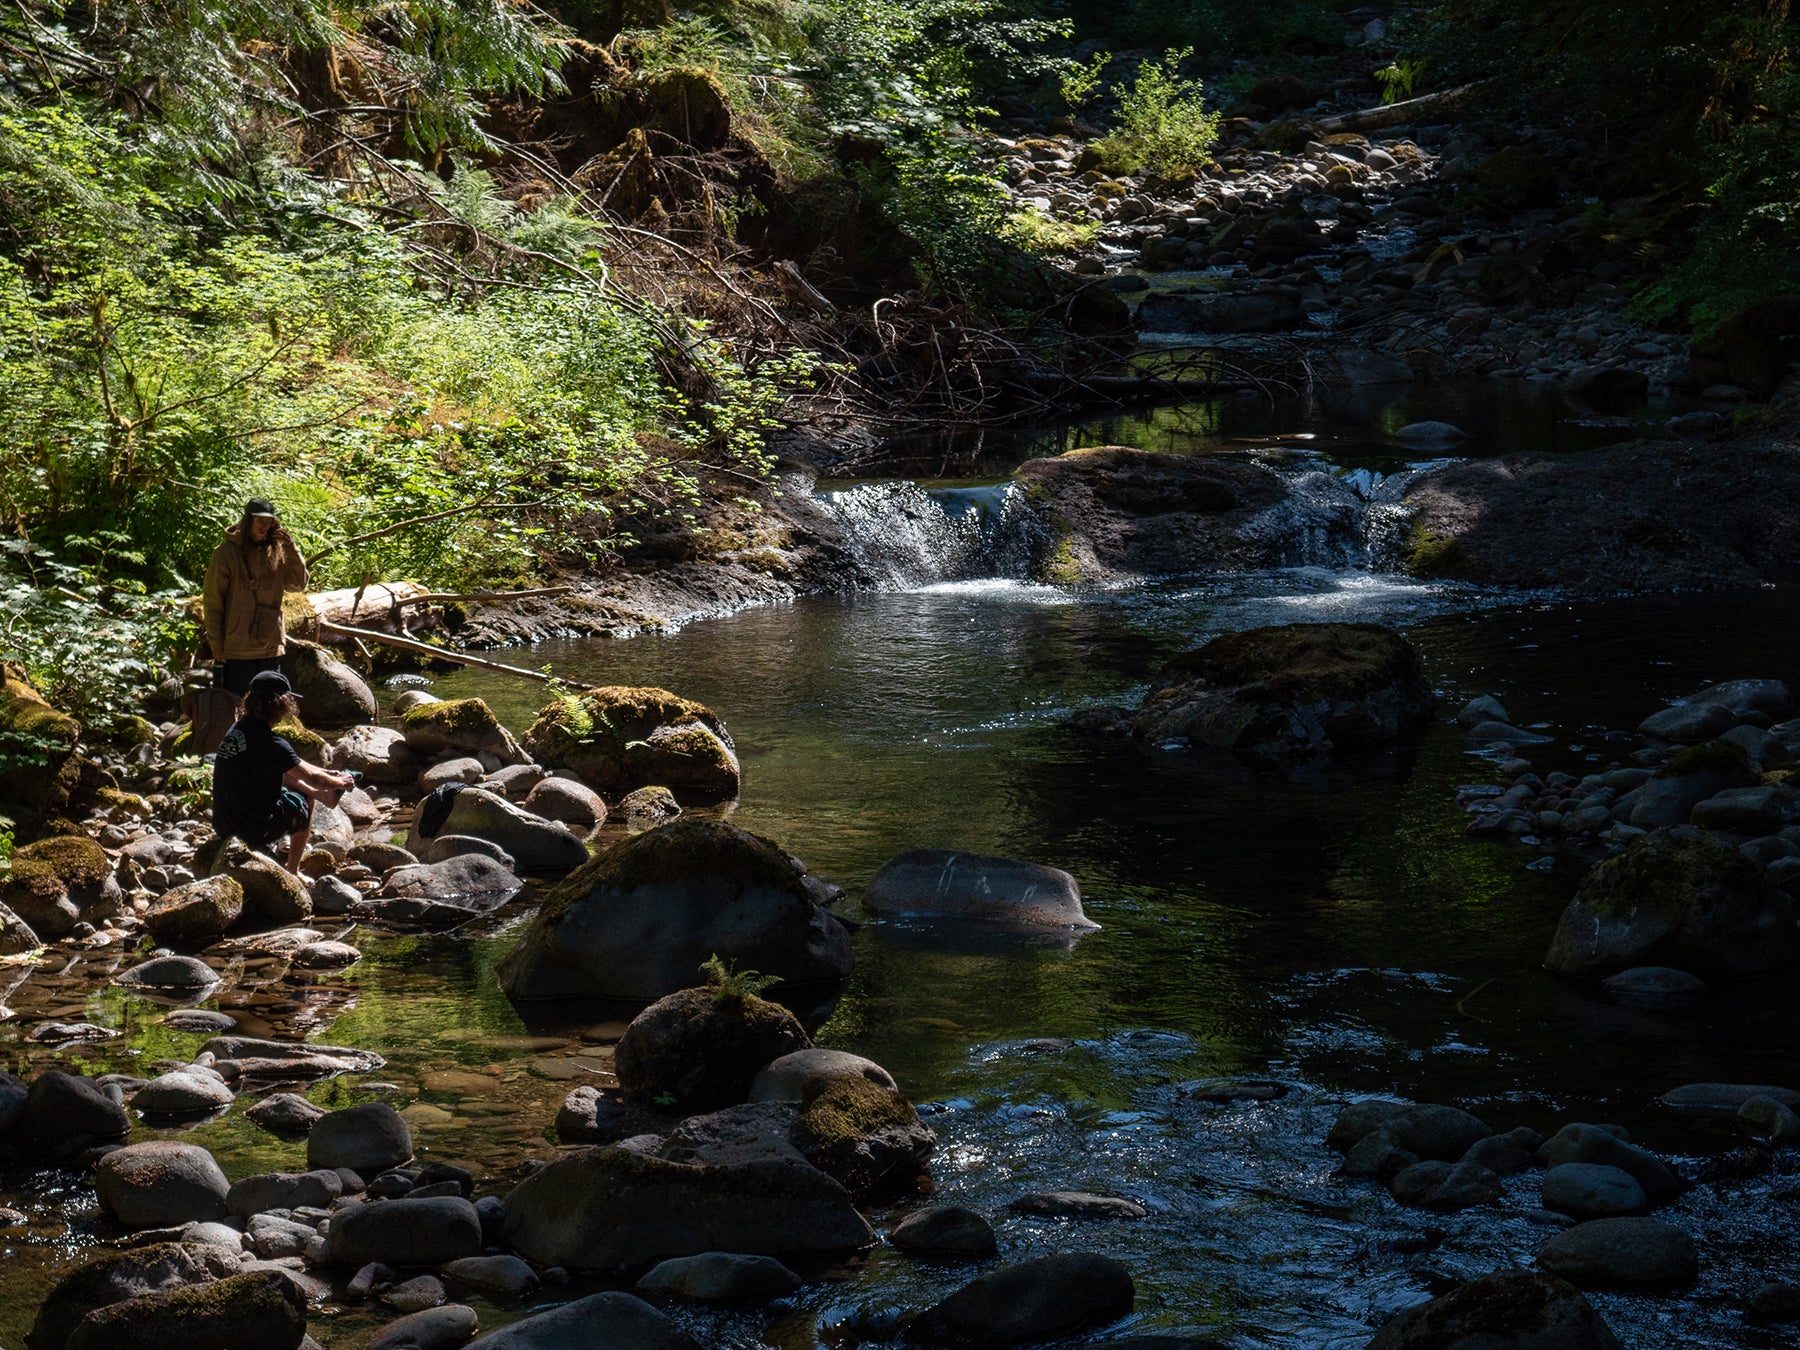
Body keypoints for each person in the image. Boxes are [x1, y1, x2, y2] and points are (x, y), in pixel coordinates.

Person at [213, 671, 354, 873]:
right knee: (305, 800)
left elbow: (293, 764)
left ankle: (324, 796)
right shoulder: (272, 743)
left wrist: (329, 773)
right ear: (280, 705)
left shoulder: (238, 728)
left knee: (277, 771)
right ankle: (293, 870)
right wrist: (342, 782)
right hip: (252, 830)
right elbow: (313, 778)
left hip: (224, 824)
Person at [203, 496, 310, 699]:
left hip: (269, 645)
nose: (264, 526)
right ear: (248, 521)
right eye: (259, 521)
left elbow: (298, 585)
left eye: (268, 522)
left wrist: (291, 548)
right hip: (237, 648)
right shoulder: (226, 553)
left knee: (272, 704)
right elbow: (213, 599)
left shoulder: (279, 551)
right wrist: (215, 641)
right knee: (237, 704)